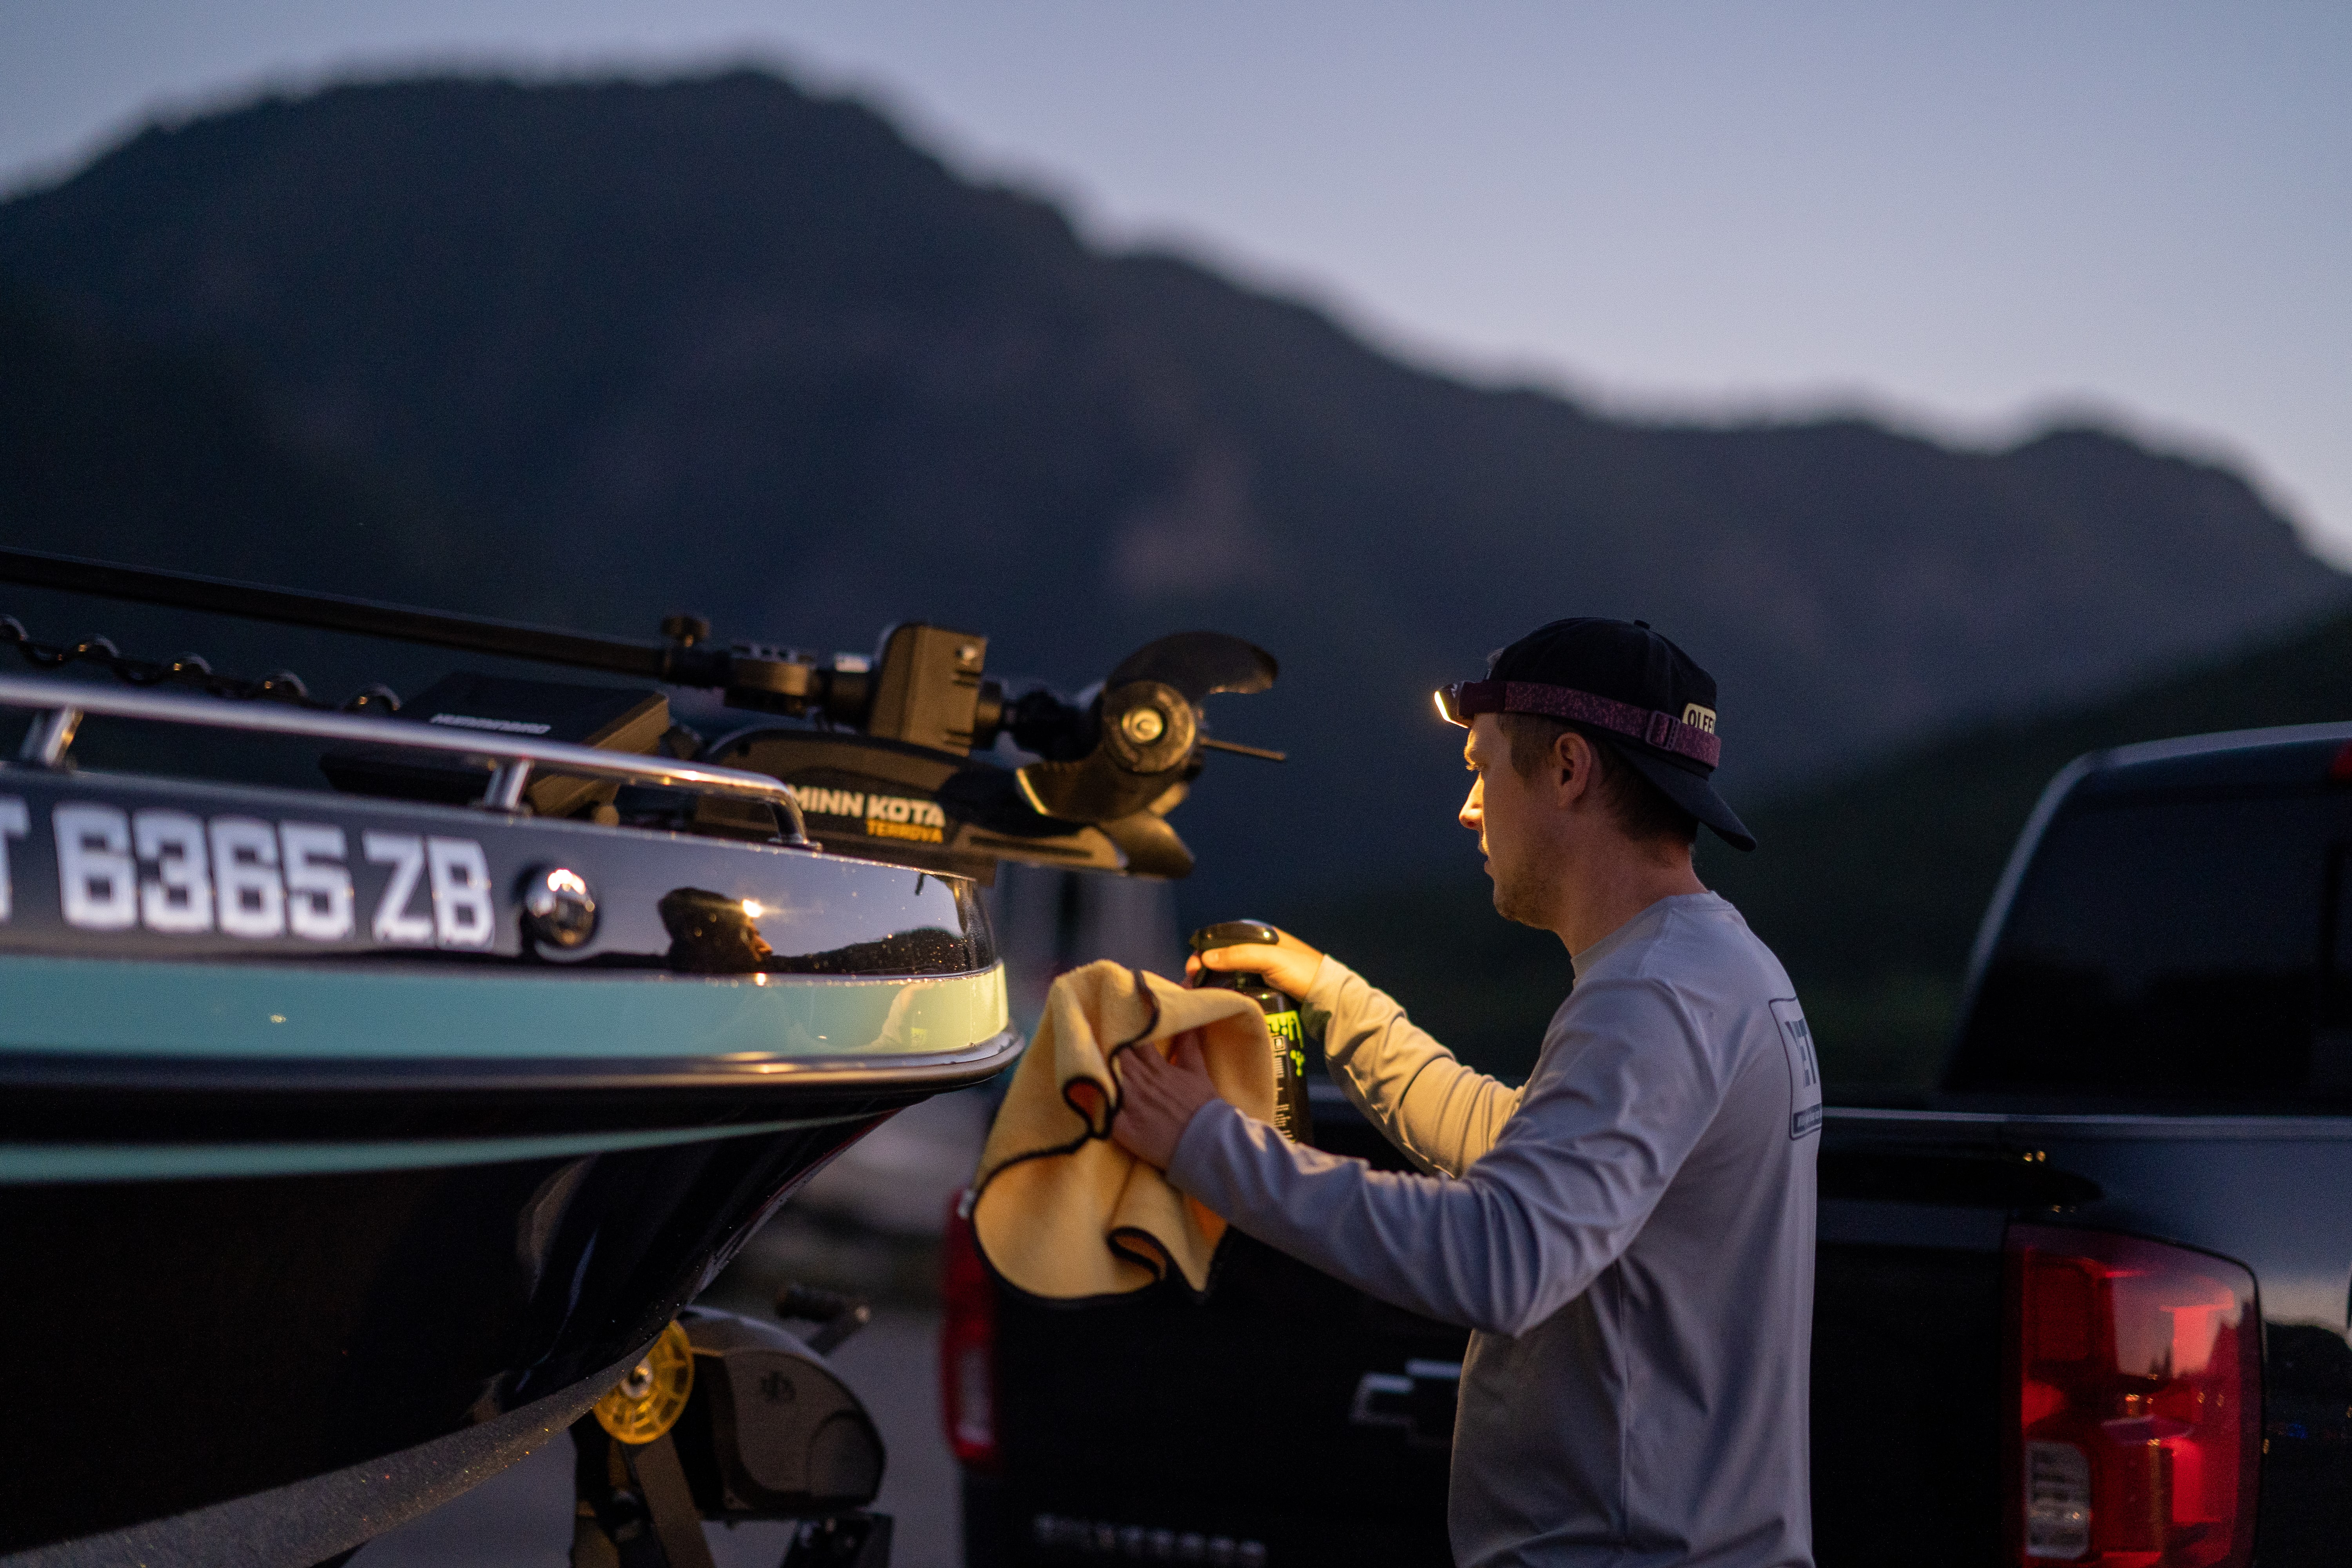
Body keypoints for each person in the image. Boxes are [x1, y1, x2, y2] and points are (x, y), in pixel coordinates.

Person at [1112, 618, 1820, 1568]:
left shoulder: (1653, 995)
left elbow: (1502, 1256)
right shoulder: (1717, 967)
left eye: (1482, 767)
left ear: (1569, 768)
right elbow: (1524, 1149)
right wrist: (1337, 998)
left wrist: (1205, 1143)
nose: (1469, 808)